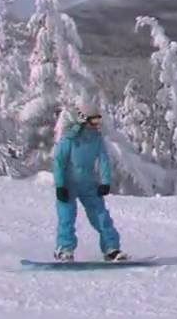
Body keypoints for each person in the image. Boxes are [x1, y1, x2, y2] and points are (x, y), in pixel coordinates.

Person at [52, 102, 127, 261]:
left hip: (88, 183)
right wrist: (60, 185)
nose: (96, 125)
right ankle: (64, 248)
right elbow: (58, 161)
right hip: (68, 184)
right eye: (93, 121)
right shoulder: (69, 139)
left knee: (101, 215)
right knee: (66, 216)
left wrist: (105, 181)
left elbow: (103, 160)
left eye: (98, 121)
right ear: (82, 119)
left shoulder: (96, 139)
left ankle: (111, 248)